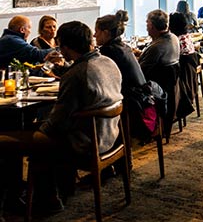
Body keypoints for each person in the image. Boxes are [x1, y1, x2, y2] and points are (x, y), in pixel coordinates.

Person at [0, 21, 123, 214]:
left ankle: (22, 199)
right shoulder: (107, 62)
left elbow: (56, 124)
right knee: (32, 132)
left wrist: (33, 132)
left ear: (65, 47)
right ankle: (49, 194)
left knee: (8, 140)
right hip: (108, 135)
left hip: (83, 141)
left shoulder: (77, 74)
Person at [95, 10, 152, 139]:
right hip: (141, 97)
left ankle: (105, 139)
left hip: (131, 103)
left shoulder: (108, 51)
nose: (94, 35)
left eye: (97, 31)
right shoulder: (123, 46)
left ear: (106, 33)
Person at [138, 10, 180, 78]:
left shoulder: (156, 48)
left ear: (151, 26)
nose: (146, 28)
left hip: (154, 84)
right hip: (170, 83)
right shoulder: (174, 38)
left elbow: (140, 72)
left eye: (147, 23)